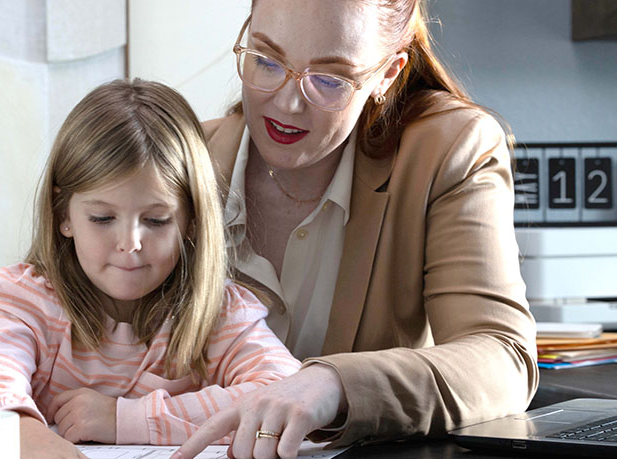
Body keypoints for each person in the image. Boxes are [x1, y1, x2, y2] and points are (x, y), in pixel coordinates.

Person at [172, 1, 538, 458]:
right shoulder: (179, 160)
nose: (287, 102)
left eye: (329, 79)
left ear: (387, 75)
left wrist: (332, 384)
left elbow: (503, 359)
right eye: (266, 61)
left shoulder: (448, 150)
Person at [0, 79, 302, 458]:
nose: (130, 242)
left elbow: (286, 391)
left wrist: (127, 419)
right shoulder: (22, 300)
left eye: (157, 220)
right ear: (63, 214)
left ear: (192, 221)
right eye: (102, 218)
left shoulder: (221, 312)